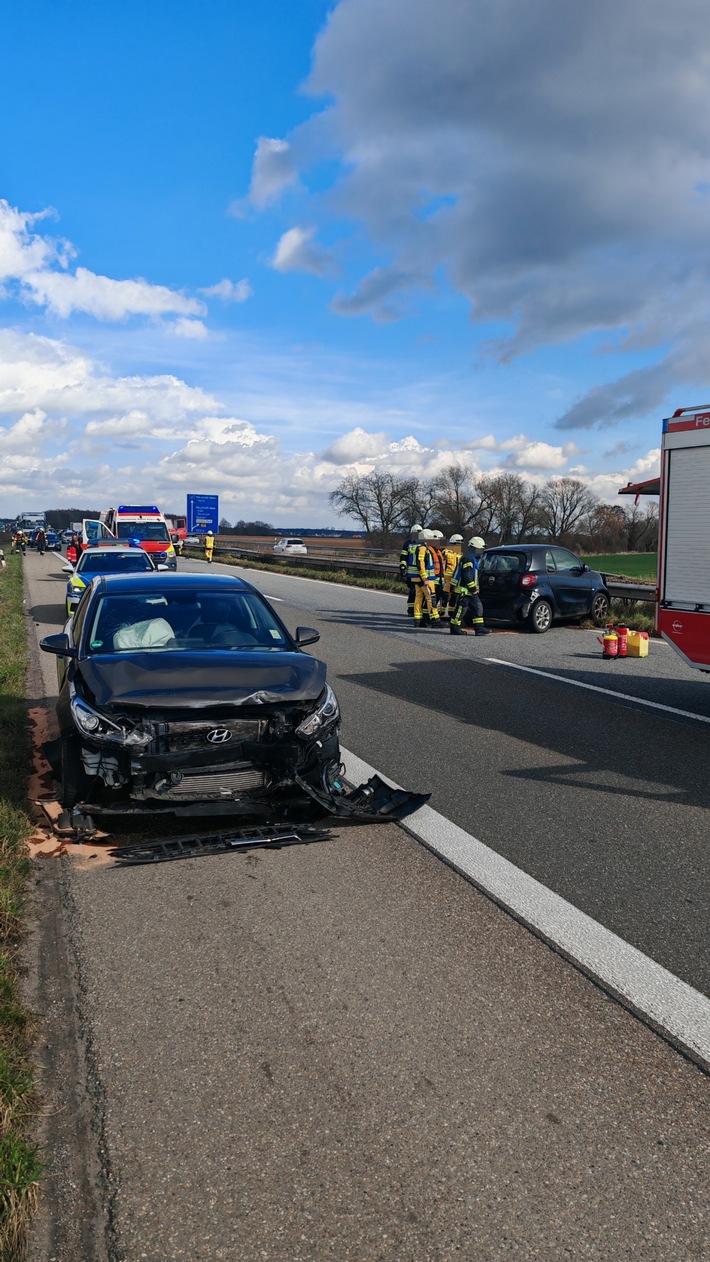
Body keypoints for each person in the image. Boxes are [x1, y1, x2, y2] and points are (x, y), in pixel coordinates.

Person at [449, 536, 490, 636]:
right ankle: (454, 628)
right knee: (460, 611)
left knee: (478, 607)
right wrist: (473, 588)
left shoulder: (471, 558)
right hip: (464, 590)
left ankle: (479, 628)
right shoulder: (468, 558)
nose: (482, 551)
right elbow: (467, 575)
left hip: (470, 590)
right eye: (481, 549)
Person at [410, 530, 440, 628]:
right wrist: (425, 578)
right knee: (431, 598)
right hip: (424, 579)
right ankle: (435, 620)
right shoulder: (423, 548)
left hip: (416, 578)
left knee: (418, 598)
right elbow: (421, 563)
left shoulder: (415, 547)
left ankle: (417, 620)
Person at [399, 524, 422, 617]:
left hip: (422, 572)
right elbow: (403, 557)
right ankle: (411, 610)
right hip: (412, 573)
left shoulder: (425, 542)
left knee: (420, 592)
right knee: (413, 591)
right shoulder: (407, 544)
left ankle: (419, 610)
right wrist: (403, 568)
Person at [441, 534, 463, 619]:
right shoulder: (446, 551)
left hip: (456, 578)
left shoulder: (461, 553)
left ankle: (451, 611)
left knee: (454, 595)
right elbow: (441, 563)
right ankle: (441, 610)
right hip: (446, 577)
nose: (459, 545)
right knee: (445, 594)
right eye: (457, 543)